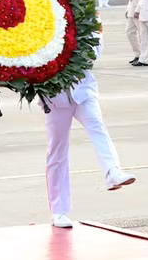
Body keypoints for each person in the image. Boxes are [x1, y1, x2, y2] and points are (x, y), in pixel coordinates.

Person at [41, 28, 136, 229]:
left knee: (97, 126)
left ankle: (112, 172)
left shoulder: (90, 15)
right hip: (54, 95)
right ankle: (59, 210)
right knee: (57, 150)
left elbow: (95, 49)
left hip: (83, 89)